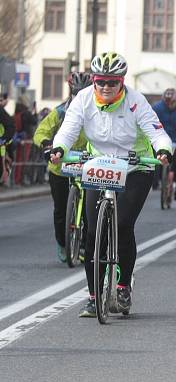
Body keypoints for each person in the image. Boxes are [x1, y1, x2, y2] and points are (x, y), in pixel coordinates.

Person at [49, 52, 172, 317]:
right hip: (99, 165)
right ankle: (94, 298)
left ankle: (123, 286)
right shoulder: (83, 99)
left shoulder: (135, 101)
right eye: (101, 81)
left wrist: (163, 150)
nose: (106, 87)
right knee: (93, 232)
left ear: (121, 82)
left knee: (123, 224)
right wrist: (59, 148)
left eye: (112, 82)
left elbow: (156, 131)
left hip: (135, 166)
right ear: (94, 81)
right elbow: (69, 128)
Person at [34, 71, 92, 263]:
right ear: (71, 93)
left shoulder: (96, 113)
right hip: (59, 167)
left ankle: (84, 245)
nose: (79, 98)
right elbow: (40, 131)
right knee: (60, 209)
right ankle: (62, 243)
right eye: (76, 94)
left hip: (87, 165)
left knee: (88, 209)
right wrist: (45, 143)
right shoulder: (59, 112)